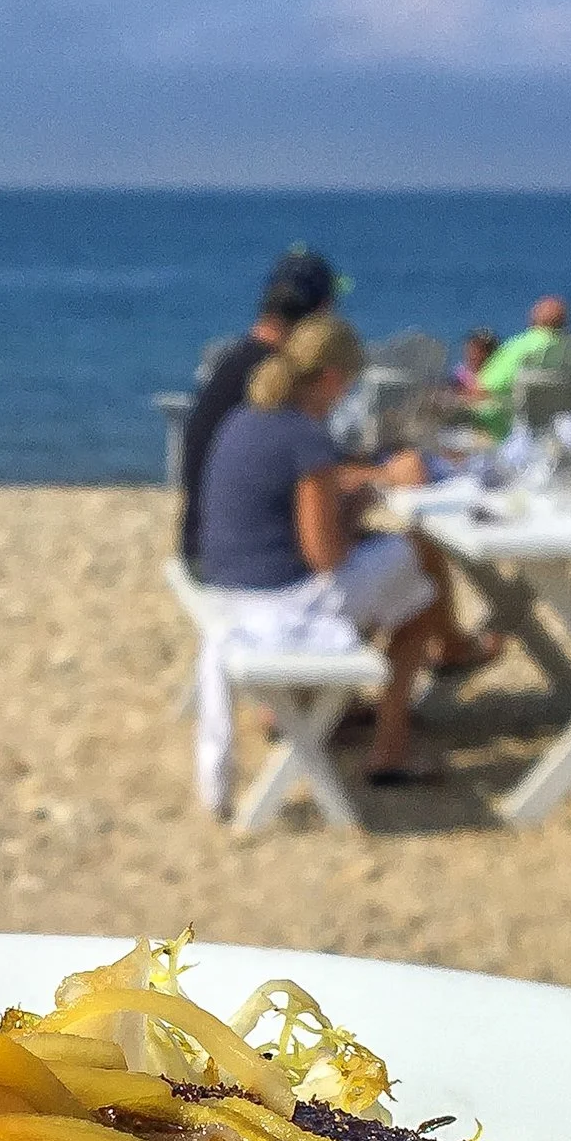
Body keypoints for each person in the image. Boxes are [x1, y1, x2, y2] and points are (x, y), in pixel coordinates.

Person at [190, 312, 446, 807]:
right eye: (347, 386)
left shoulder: (247, 418)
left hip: (227, 586)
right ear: (330, 378)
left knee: (396, 570)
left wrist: (355, 493)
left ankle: (337, 706)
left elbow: (288, 510)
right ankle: (390, 748)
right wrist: (366, 499)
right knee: (419, 576)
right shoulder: (305, 437)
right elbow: (324, 555)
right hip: (276, 602)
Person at [176, 246, 339, 567]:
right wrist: (381, 474)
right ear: (319, 316)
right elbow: (311, 474)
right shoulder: (275, 381)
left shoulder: (234, 364)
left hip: (206, 540)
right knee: (410, 557)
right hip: (237, 555)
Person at [470, 296, 571, 435]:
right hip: (555, 431)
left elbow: (484, 388)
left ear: (533, 319)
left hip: (505, 430)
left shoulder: (521, 347)